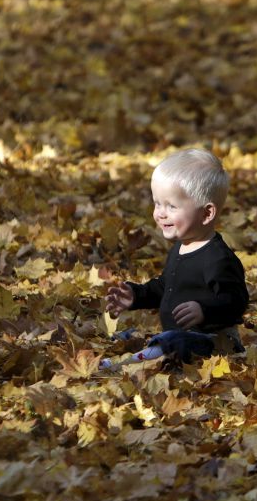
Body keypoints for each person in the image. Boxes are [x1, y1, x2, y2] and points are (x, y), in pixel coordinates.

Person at [104, 148, 248, 364]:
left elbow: (236, 300)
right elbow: (166, 286)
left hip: (215, 344)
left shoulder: (218, 258)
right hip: (180, 337)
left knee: (172, 340)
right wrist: (137, 295)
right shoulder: (180, 248)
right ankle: (140, 353)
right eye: (157, 203)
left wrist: (204, 310)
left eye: (171, 206)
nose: (161, 213)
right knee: (137, 335)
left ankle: (124, 365)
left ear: (207, 213)